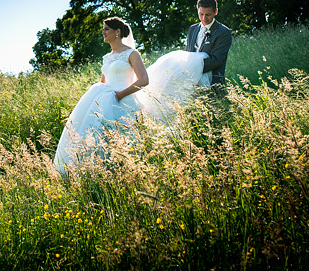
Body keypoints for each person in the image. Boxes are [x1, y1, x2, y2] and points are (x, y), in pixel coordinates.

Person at [53, 17, 208, 176]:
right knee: (98, 137)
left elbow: (143, 80)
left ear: (117, 32)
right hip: (105, 101)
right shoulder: (106, 57)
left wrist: (121, 94)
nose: (103, 32)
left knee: (126, 140)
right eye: (103, 29)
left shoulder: (132, 54)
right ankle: (95, 174)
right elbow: (103, 82)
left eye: (106, 29)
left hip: (124, 100)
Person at [184, 0, 232, 88]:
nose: (204, 18)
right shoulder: (192, 29)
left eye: (208, 15)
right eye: (201, 14)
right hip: (191, 84)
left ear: (216, 12)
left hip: (212, 85)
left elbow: (216, 60)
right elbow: (188, 53)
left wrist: (192, 69)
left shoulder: (223, 32)